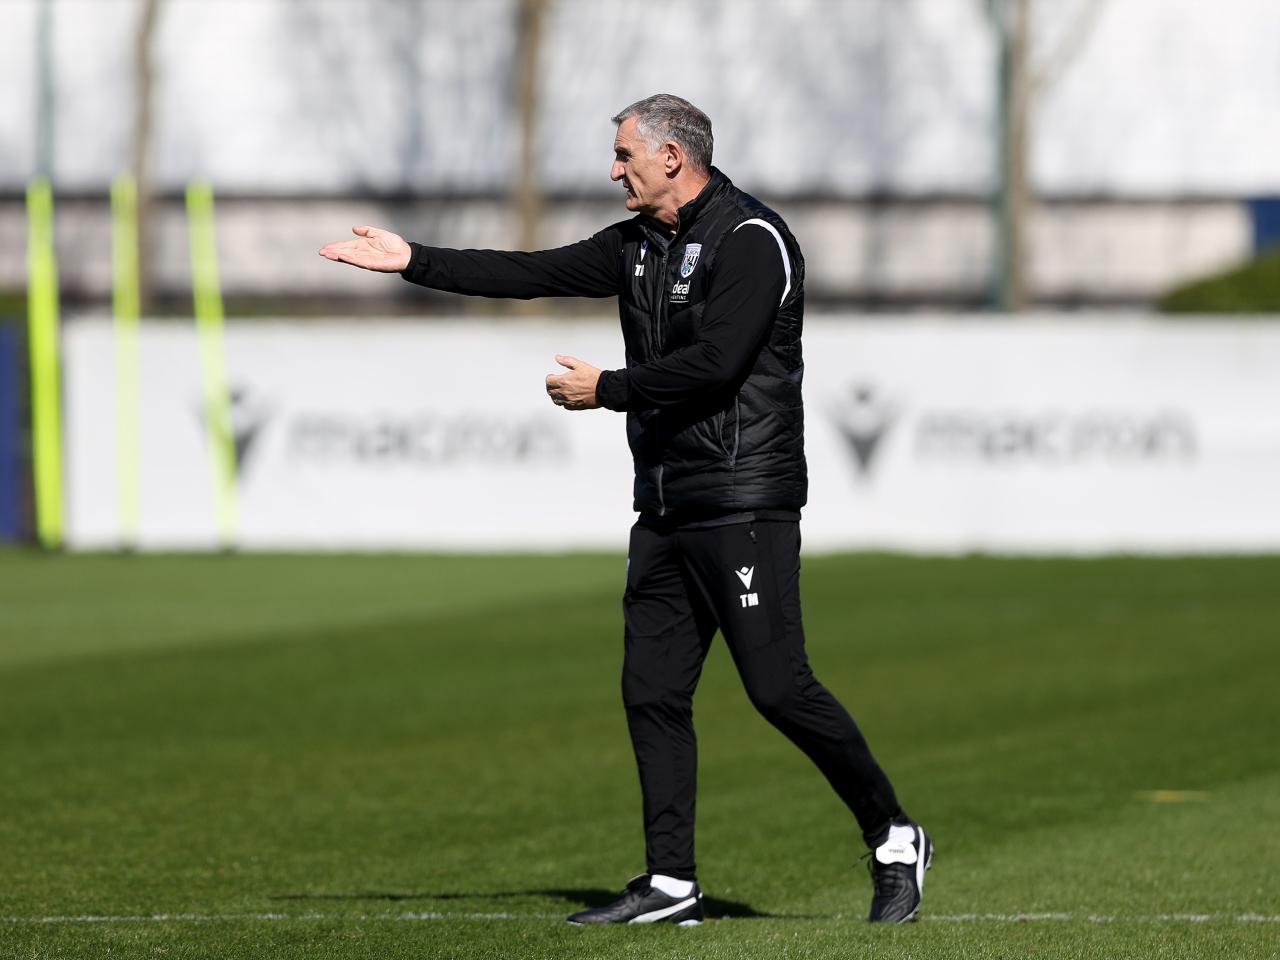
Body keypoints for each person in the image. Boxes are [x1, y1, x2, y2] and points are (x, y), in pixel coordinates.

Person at [319, 93, 932, 926]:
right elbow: (533, 273)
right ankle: (671, 882)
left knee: (779, 690)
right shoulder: (639, 243)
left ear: (672, 157)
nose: (613, 169)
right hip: (667, 504)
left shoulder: (753, 240)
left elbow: (717, 366)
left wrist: (606, 389)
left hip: (743, 499)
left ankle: (895, 835)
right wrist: (413, 259)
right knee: (650, 690)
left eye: (623, 155)